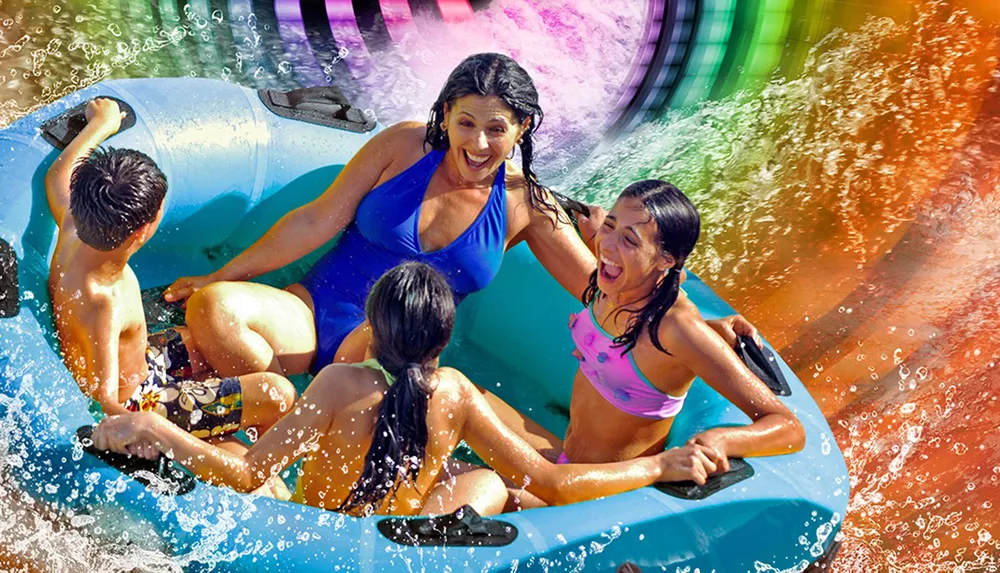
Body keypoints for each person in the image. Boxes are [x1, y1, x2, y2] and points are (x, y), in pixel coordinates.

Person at [92, 263, 722, 517]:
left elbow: (255, 474)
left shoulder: (339, 383)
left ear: (372, 329)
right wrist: (659, 464)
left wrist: (159, 431)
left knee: (235, 445)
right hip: (397, 533)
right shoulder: (454, 391)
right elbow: (549, 481)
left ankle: (165, 414)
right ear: (440, 343)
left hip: (320, 528)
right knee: (491, 484)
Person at [160, 52, 605, 378]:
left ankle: (278, 419)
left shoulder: (525, 204)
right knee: (214, 308)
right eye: (466, 122)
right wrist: (221, 275)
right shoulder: (403, 147)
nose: (478, 145)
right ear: (447, 113)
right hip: (313, 313)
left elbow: (602, 292)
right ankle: (277, 417)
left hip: (391, 364)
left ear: (522, 128)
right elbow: (315, 220)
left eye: (496, 129)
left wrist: (609, 244)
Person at [482, 180, 806, 509]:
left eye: (629, 240)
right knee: (444, 393)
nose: (608, 246)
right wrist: (599, 232)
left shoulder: (677, 330)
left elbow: (788, 427)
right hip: (564, 465)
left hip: (601, 495)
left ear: (666, 259)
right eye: (611, 225)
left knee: (471, 485)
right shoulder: (608, 286)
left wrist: (721, 439)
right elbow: (538, 212)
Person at [45, 97, 296, 442]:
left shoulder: (74, 229)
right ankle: (240, 445)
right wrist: (151, 431)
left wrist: (100, 126)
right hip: (140, 401)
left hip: (145, 361)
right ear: (141, 232)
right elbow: (103, 400)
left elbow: (59, 173)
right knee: (276, 392)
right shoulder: (104, 304)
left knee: (214, 338)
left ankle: (229, 420)